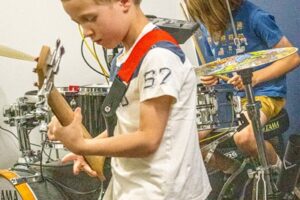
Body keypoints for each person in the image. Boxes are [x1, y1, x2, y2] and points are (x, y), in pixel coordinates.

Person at [47, 0, 211, 199]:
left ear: (124, 2)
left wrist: (82, 145)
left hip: (164, 191)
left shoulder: (158, 56)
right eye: (78, 23)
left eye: (90, 18)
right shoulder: (124, 58)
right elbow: (129, 124)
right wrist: (91, 149)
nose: (86, 31)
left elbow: (148, 139)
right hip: (134, 185)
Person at [185, 0, 300, 174]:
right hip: (228, 97)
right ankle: (235, 172)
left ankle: (282, 178)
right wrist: (213, 76)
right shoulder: (207, 23)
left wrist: (255, 78)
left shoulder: (255, 17)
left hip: (263, 94)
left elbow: (292, 58)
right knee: (186, 140)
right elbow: (217, 65)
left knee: (245, 138)